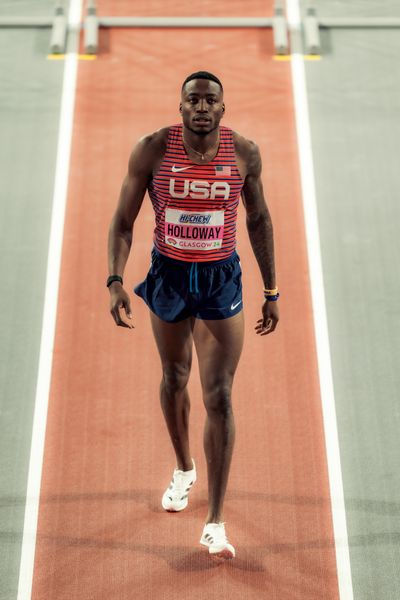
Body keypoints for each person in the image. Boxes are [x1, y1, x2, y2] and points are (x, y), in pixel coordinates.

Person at [107, 71, 279, 559]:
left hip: (221, 278)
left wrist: (271, 288)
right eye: (193, 100)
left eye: (210, 101)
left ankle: (215, 520)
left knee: (220, 394)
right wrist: (115, 279)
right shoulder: (152, 150)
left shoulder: (244, 152)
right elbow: (123, 221)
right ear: (180, 106)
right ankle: (184, 467)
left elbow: (259, 219)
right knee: (173, 375)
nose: (201, 107)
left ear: (222, 109)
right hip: (169, 275)